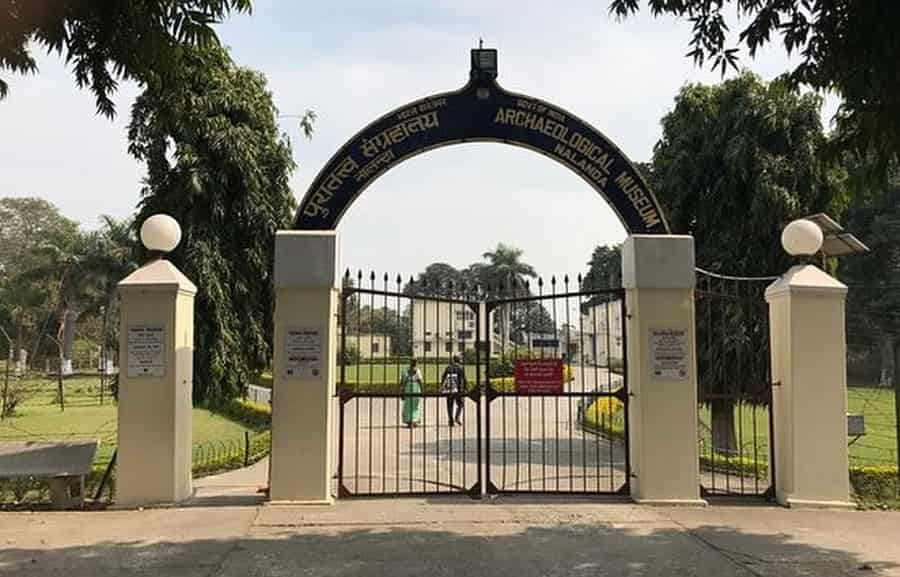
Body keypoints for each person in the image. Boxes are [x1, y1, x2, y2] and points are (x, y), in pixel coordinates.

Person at [441, 355, 467, 426]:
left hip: (449, 389)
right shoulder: (460, 368)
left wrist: (442, 386)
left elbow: (443, 377)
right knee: (460, 404)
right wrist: (465, 388)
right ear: (458, 360)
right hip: (458, 389)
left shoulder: (448, 367)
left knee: (449, 405)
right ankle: (457, 417)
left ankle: (451, 420)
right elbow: (463, 379)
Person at [401, 359, 423, 427]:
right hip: (415, 388)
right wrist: (422, 390)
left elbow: (402, 382)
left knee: (408, 406)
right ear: (416, 363)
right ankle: (414, 420)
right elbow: (420, 381)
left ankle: (409, 421)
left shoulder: (405, 371)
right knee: (415, 406)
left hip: (408, 388)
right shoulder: (418, 371)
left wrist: (402, 391)